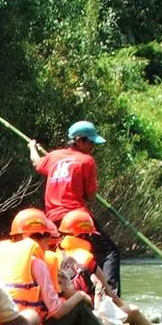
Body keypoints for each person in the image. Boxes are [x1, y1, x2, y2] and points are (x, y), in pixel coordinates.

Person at [0, 208, 137, 325]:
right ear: (40, 237)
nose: (49, 243)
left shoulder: (0, 257)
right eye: (47, 237)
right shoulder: (37, 263)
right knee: (80, 306)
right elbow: (57, 311)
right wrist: (79, 296)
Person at [28, 120, 122, 293]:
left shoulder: (54, 156)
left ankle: (76, 292)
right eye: (90, 142)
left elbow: (36, 163)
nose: (93, 146)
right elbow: (91, 196)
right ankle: (111, 295)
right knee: (109, 252)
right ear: (79, 140)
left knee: (66, 257)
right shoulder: (87, 161)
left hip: (53, 219)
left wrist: (32, 146)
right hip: (76, 218)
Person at [63, 246, 162, 325]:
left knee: (121, 312)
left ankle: (145, 323)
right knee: (134, 311)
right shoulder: (85, 261)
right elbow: (110, 294)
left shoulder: (56, 259)